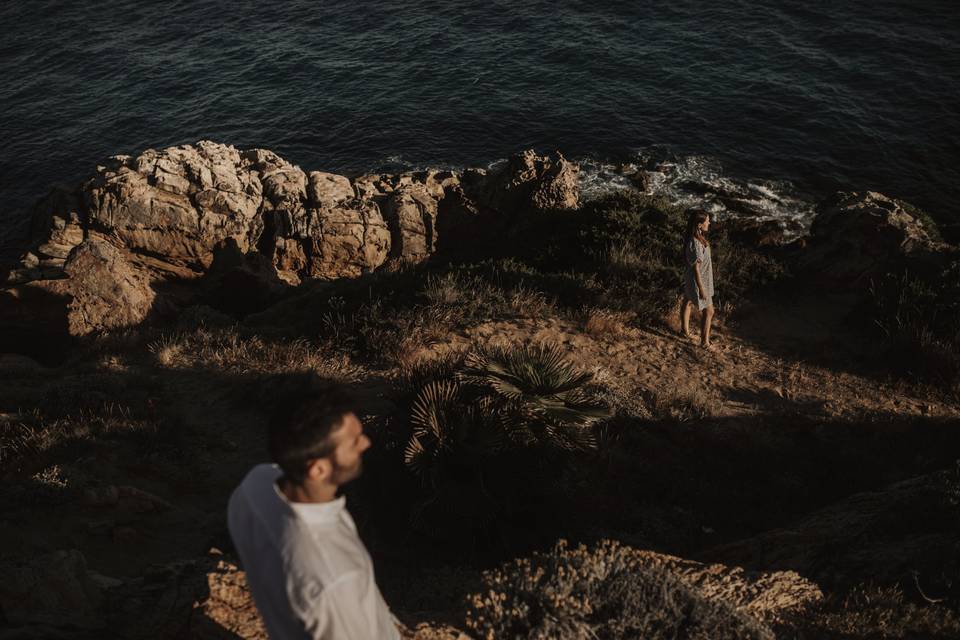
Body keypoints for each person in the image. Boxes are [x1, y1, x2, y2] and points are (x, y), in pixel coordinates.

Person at [227, 381, 401, 640]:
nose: (365, 443)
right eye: (354, 442)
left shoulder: (252, 488)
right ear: (317, 469)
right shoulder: (333, 577)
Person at [680, 209, 715, 349]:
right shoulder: (695, 242)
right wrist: (701, 288)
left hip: (694, 278)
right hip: (699, 280)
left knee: (687, 301)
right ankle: (705, 343)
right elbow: (696, 268)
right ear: (700, 224)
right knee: (709, 311)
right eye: (707, 221)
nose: (709, 222)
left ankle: (684, 331)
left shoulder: (697, 235)